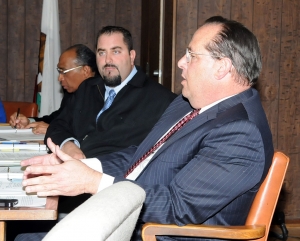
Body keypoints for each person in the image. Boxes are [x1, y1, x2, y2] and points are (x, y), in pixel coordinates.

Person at [17, 16, 274, 241]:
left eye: (192, 55)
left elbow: (177, 207)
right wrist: (86, 167)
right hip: (135, 217)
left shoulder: (241, 132)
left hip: (155, 233)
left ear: (222, 67)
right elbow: (142, 155)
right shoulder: (189, 104)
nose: (180, 62)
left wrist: (92, 182)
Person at [45, 26, 177, 159]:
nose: (108, 60)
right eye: (102, 53)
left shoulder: (159, 100)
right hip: (70, 167)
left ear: (131, 56)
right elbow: (58, 125)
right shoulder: (87, 88)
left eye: (116, 52)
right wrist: (68, 145)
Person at [9, 44, 98, 134]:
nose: (59, 78)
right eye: (59, 72)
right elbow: (57, 118)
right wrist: (29, 122)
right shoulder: (72, 92)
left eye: (64, 71)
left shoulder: (103, 94)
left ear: (85, 71)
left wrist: (53, 129)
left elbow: (92, 133)